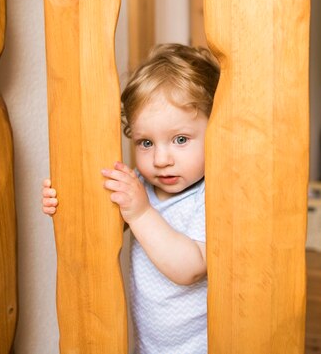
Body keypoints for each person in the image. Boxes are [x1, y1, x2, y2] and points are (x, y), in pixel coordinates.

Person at [42, 43, 220, 354]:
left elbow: (190, 268)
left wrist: (139, 213)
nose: (161, 158)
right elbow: (98, 223)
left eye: (180, 139)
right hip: (149, 343)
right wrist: (62, 202)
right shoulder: (141, 184)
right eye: (146, 142)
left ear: (216, 131)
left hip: (198, 346)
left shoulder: (211, 193)